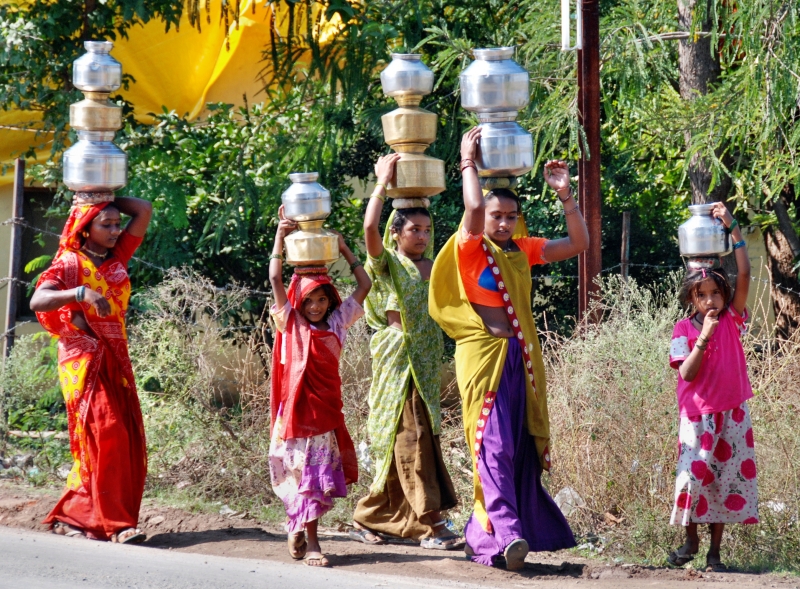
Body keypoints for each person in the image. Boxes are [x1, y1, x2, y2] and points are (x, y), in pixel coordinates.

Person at [429, 127, 588, 569]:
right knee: (492, 446)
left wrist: (566, 197)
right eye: (497, 216)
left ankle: (482, 535)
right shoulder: (471, 248)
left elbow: (579, 244)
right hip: (484, 361)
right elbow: (474, 205)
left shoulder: (521, 250)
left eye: (510, 216)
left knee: (518, 448)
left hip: (519, 360)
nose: (502, 223)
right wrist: (467, 160)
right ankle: (509, 533)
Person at [349, 154, 461, 550]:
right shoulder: (387, 265)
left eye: (427, 230)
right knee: (411, 440)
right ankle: (432, 524)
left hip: (426, 366)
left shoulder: (433, 266)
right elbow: (367, 227)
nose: (422, 236)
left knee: (417, 441)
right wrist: (381, 183)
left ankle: (370, 516)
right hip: (398, 365)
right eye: (414, 229)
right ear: (396, 233)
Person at [30, 193, 153, 543]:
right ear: (85, 229)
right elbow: (38, 300)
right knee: (107, 431)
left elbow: (143, 209)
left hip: (115, 356)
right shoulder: (68, 263)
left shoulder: (118, 257)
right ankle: (117, 526)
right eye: (106, 224)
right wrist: (79, 293)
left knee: (123, 438)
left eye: (117, 224)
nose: (116, 230)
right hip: (82, 359)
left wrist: (102, 193)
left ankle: (79, 515)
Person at [268, 206, 371, 567]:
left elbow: (365, 285)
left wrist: (342, 248)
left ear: (330, 300)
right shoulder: (291, 323)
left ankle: (310, 538)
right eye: (309, 299)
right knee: (300, 475)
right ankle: (303, 530)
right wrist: (281, 237)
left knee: (314, 477)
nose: (315, 305)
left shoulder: (338, 323)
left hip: (324, 415)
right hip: (295, 415)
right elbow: (277, 281)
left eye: (322, 298)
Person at [667, 202, 757, 572]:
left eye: (716, 295)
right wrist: (704, 336)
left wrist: (733, 228)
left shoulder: (734, 317)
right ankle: (690, 539)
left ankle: (715, 553)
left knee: (725, 481)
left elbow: (746, 272)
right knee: (693, 477)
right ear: (692, 299)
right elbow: (686, 374)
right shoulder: (683, 330)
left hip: (733, 412)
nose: (710, 302)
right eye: (701, 296)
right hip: (697, 417)